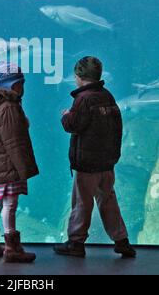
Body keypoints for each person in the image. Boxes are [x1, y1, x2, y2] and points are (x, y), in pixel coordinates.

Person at [54, 56, 136, 259]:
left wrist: (65, 115)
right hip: (106, 164)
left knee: (82, 203)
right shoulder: (108, 96)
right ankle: (122, 241)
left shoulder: (83, 99)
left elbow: (74, 125)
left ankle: (76, 243)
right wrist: (113, 156)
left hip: (87, 165)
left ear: (79, 76)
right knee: (108, 201)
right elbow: (117, 128)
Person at [0, 62, 39, 263]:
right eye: (20, 83)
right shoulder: (9, 108)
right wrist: (24, 169)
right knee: (10, 204)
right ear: (10, 85)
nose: (23, 87)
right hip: (9, 165)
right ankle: (11, 248)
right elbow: (14, 142)